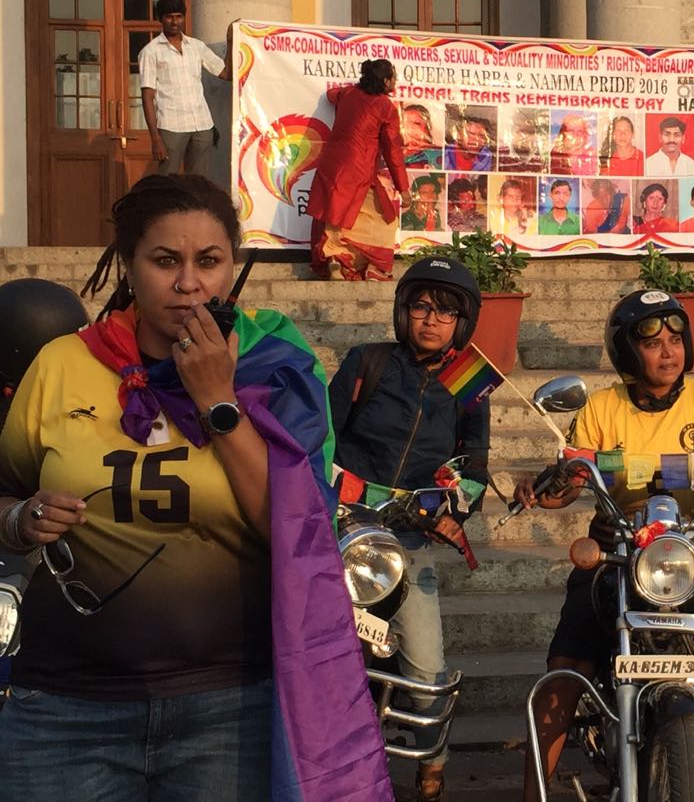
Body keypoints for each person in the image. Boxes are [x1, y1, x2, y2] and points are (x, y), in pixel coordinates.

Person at [0, 174, 391, 800]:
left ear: (232, 266)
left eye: (209, 261)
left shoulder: (275, 367)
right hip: (65, 710)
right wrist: (20, 519)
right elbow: (7, 492)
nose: (189, 284)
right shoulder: (62, 364)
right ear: (128, 266)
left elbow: (294, 529)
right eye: (164, 261)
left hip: (227, 710)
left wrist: (216, 398)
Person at [515, 290, 694, 801]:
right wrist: (542, 488)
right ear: (627, 351)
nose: (668, 352)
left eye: (675, 340)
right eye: (652, 344)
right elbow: (572, 481)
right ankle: (533, 792)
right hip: (616, 550)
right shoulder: (602, 408)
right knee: (564, 676)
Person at [329, 257, 491, 802]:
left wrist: (455, 508)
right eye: (421, 306)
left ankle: (432, 763)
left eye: (446, 312)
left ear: (462, 324)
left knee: (426, 667)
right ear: (403, 311)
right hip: (345, 532)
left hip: (413, 539)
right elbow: (321, 440)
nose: (431, 320)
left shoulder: (469, 382)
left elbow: (475, 467)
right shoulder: (366, 362)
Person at [306, 59, 410, 281]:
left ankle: (334, 259)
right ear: (385, 81)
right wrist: (404, 188)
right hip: (359, 168)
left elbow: (331, 94)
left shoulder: (348, 95)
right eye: (393, 77)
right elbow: (393, 151)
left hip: (332, 164)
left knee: (336, 214)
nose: (396, 81)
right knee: (385, 219)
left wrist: (354, 89)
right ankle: (375, 267)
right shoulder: (386, 107)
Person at [138, 0, 231, 179]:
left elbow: (226, 74)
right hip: (171, 126)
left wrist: (230, 41)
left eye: (179, 16)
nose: (175, 22)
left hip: (202, 124)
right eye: (169, 17)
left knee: (198, 182)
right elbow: (147, 97)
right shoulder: (150, 52)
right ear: (161, 19)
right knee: (167, 182)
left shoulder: (197, 46)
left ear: (184, 17)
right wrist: (155, 138)